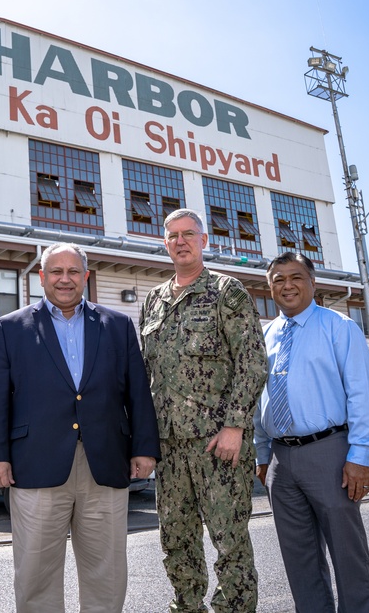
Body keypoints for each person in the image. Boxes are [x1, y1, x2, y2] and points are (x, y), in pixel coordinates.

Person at [0, 243, 160, 612]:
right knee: (35, 575)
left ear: (86, 277)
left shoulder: (118, 325)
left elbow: (138, 391)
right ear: (42, 277)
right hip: (35, 464)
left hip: (105, 463)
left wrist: (144, 447)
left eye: (73, 272)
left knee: (106, 575)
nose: (65, 279)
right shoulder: (10, 327)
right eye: (56, 272)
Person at [139, 208, 267, 613]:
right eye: (173, 235)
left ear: (204, 240)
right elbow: (146, 373)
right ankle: (187, 606)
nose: (180, 241)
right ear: (165, 242)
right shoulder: (154, 301)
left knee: (228, 540)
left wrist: (235, 427)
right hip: (170, 445)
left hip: (218, 443)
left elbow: (252, 361)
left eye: (188, 234)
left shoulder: (227, 292)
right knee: (176, 540)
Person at [253, 252, 369, 612]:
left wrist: (360, 457)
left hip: (330, 452)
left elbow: (361, 394)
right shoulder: (264, 335)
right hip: (280, 458)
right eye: (278, 279)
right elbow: (258, 400)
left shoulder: (339, 327)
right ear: (270, 287)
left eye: (296, 277)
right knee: (299, 559)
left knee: (347, 555)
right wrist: (263, 455)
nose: (287, 285)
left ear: (313, 283)